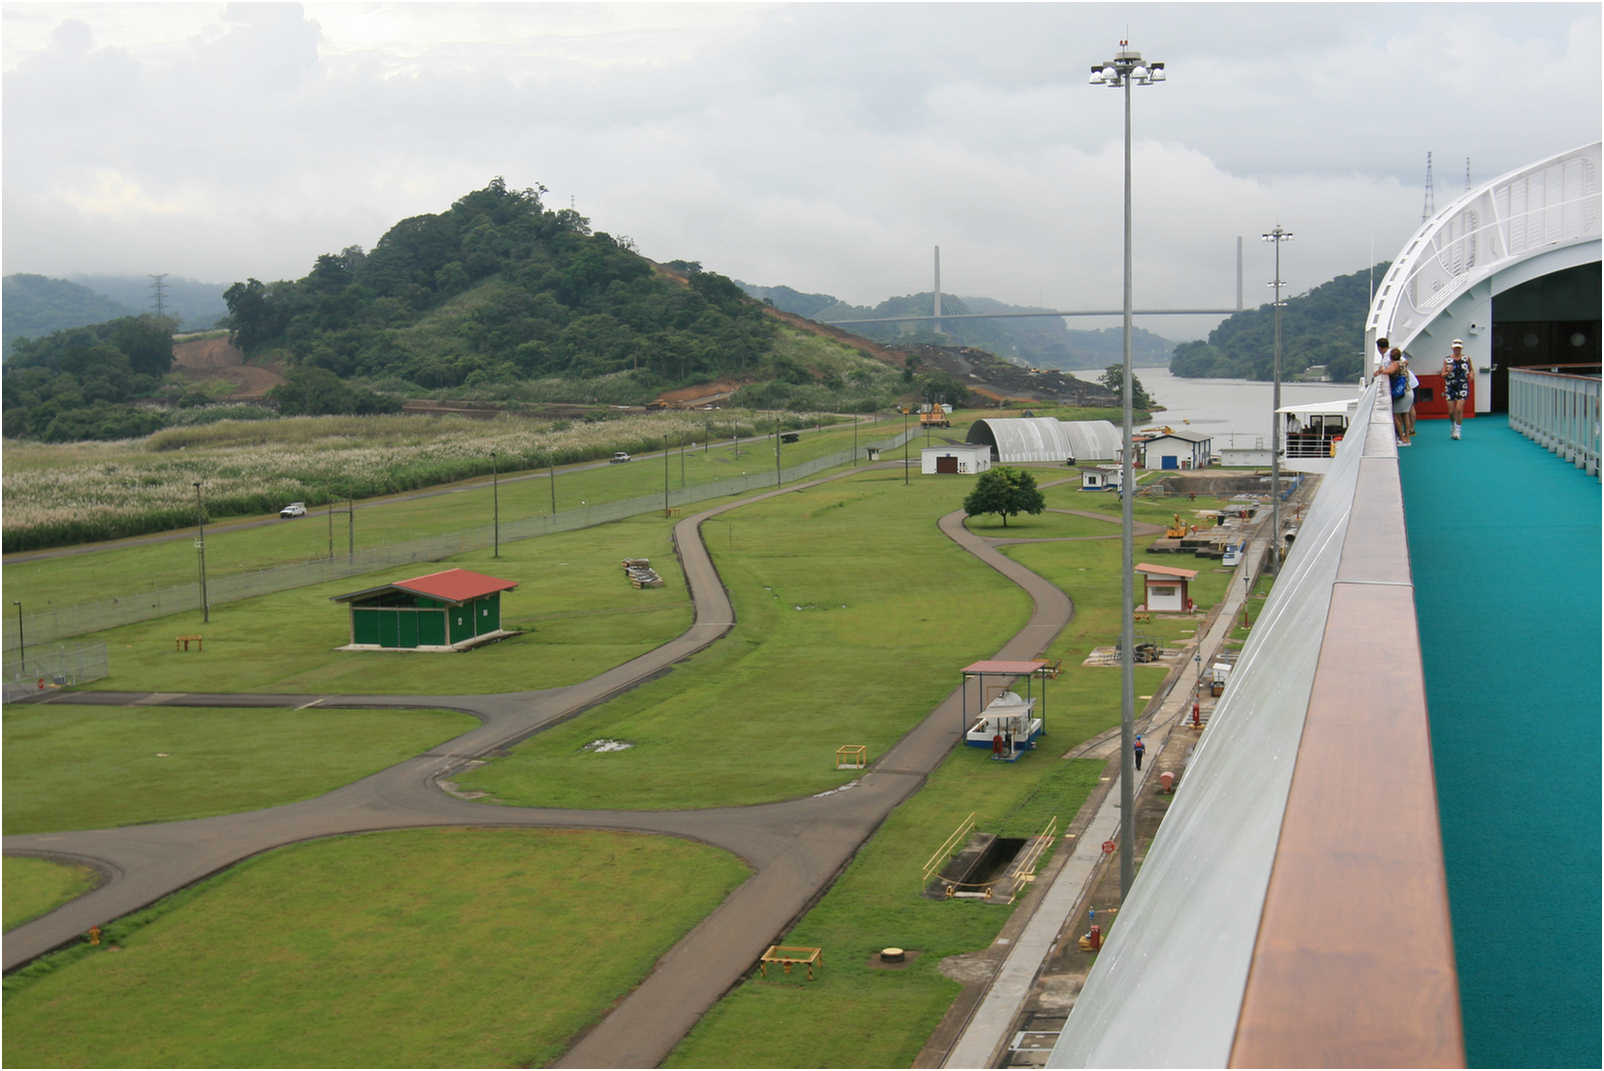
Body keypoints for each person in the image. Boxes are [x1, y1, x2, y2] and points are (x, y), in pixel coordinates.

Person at [1378, 346, 1413, 446]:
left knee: (1396, 415)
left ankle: (1402, 438)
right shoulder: (1402, 363)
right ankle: (1407, 437)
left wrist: (1381, 369)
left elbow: (1387, 372)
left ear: (1391, 357)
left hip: (1401, 393)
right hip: (1408, 391)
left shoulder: (1395, 364)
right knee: (1405, 415)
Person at [1442, 338, 1472, 439]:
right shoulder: (1447, 359)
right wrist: (1448, 372)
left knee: (1459, 409)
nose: (1457, 350)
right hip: (1450, 385)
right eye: (1455, 348)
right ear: (1452, 348)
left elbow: (1471, 370)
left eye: (1458, 348)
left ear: (1461, 348)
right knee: (1451, 412)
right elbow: (1442, 374)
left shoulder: (1466, 358)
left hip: (1462, 385)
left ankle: (1458, 431)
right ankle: (1453, 426)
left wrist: (1471, 375)